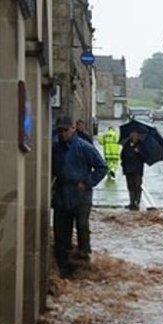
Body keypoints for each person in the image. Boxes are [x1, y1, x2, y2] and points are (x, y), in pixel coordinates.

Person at [52, 117, 107, 277]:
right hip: (62, 195)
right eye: (60, 131)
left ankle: (84, 258)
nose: (62, 134)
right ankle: (63, 265)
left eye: (65, 130)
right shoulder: (55, 148)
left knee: (82, 226)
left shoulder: (84, 147)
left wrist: (87, 182)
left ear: (73, 129)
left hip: (81, 195)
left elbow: (101, 167)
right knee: (61, 230)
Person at [121, 131, 146, 211]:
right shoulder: (127, 144)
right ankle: (131, 202)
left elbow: (145, 157)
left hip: (137, 169)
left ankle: (137, 202)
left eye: (136, 135)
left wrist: (138, 152)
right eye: (132, 135)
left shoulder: (141, 145)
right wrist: (124, 164)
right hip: (128, 169)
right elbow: (122, 155)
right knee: (130, 185)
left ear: (138, 136)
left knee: (137, 185)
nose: (134, 137)